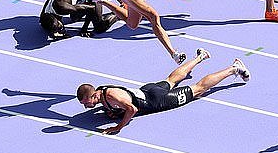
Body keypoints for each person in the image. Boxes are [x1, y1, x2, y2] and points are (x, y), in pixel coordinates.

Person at [76, 48, 250, 134]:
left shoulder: (110, 96)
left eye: (86, 102)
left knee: (198, 89)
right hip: (148, 90)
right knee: (171, 79)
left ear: (93, 95)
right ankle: (200, 57)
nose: (86, 107)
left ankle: (233, 68)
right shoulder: (102, 91)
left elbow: (132, 109)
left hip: (157, 101)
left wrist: (118, 126)